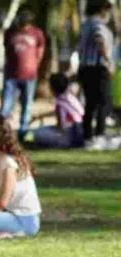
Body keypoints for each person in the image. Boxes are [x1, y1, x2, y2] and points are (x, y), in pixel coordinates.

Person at [1, 7, 45, 142]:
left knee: (26, 106)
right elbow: (6, 49)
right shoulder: (10, 33)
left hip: (29, 76)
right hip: (11, 76)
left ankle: (23, 134)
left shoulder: (37, 33)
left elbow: (40, 51)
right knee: (6, 106)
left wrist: (34, 66)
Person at [78, 0, 115, 149]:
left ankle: (87, 137)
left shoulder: (85, 24)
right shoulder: (98, 24)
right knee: (103, 103)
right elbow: (100, 40)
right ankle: (99, 136)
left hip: (85, 68)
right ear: (101, 9)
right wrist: (109, 61)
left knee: (90, 104)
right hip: (97, 68)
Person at [31, 72, 84, 149]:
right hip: (80, 133)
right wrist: (39, 116)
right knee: (44, 129)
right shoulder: (70, 97)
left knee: (38, 133)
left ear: (52, 88)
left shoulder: (59, 103)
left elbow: (61, 126)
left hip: (69, 138)